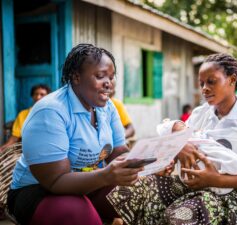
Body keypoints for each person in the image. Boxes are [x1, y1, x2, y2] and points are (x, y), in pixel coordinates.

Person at [107, 53, 237, 225]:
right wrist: (173, 155)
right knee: (129, 191)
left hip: (233, 194)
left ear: (232, 80)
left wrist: (217, 180)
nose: (204, 88)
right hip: (191, 185)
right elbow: (184, 145)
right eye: (201, 83)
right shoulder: (200, 114)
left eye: (211, 81)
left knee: (184, 215)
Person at [7, 44, 143, 225]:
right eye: (100, 76)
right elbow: (55, 181)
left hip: (90, 182)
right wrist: (105, 176)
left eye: (111, 77)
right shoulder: (51, 111)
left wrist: (142, 163)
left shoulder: (107, 107)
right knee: (77, 213)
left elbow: (118, 151)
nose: (108, 83)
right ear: (76, 77)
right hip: (37, 190)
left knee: (139, 194)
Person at [157, 119, 237, 195]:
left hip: (231, 186)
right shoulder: (198, 113)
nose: (185, 127)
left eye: (184, 126)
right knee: (146, 183)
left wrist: (217, 180)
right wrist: (176, 152)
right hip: (191, 182)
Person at [0, 84, 51, 152]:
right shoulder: (23, 114)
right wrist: (5, 147)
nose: (38, 97)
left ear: (48, 97)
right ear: (32, 96)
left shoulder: (52, 114)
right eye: (36, 94)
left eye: (42, 94)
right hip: (27, 149)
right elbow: (15, 136)